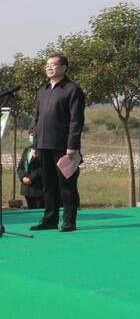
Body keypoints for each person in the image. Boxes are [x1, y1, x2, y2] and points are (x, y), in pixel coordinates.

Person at [30, 55, 85, 232]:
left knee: (66, 185)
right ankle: (49, 219)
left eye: (53, 64)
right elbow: (37, 118)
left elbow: (76, 120)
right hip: (44, 144)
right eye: (47, 65)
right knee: (48, 184)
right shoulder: (43, 90)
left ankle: (69, 221)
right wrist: (36, 144)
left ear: (64, 67)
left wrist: (73, 145)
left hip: (63, 145)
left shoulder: (72, 89)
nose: (49, 68)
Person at [17, 131, 44, 209]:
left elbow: (43, 168)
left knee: (39, 211)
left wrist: (31, 178)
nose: (32, 137)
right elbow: (20, 166)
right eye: (31, 135)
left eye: (34, 135)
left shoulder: (42, 150)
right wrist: (23, 177)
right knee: (30, 210)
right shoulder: (27, 150)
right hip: (26, 188)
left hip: (38, 188)